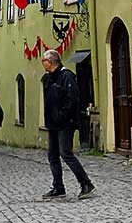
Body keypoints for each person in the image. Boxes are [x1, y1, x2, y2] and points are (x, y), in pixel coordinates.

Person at [41, 49, 95, 201]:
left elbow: (72, 99)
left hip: (65, 123)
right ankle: (58, 187)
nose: (42, 64)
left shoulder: (66, 76)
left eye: (43, 61)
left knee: (66, 153)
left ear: (50, 62)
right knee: (52, 155)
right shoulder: (49, 78)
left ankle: (86, 184)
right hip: (53, 123)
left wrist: (62, 116)